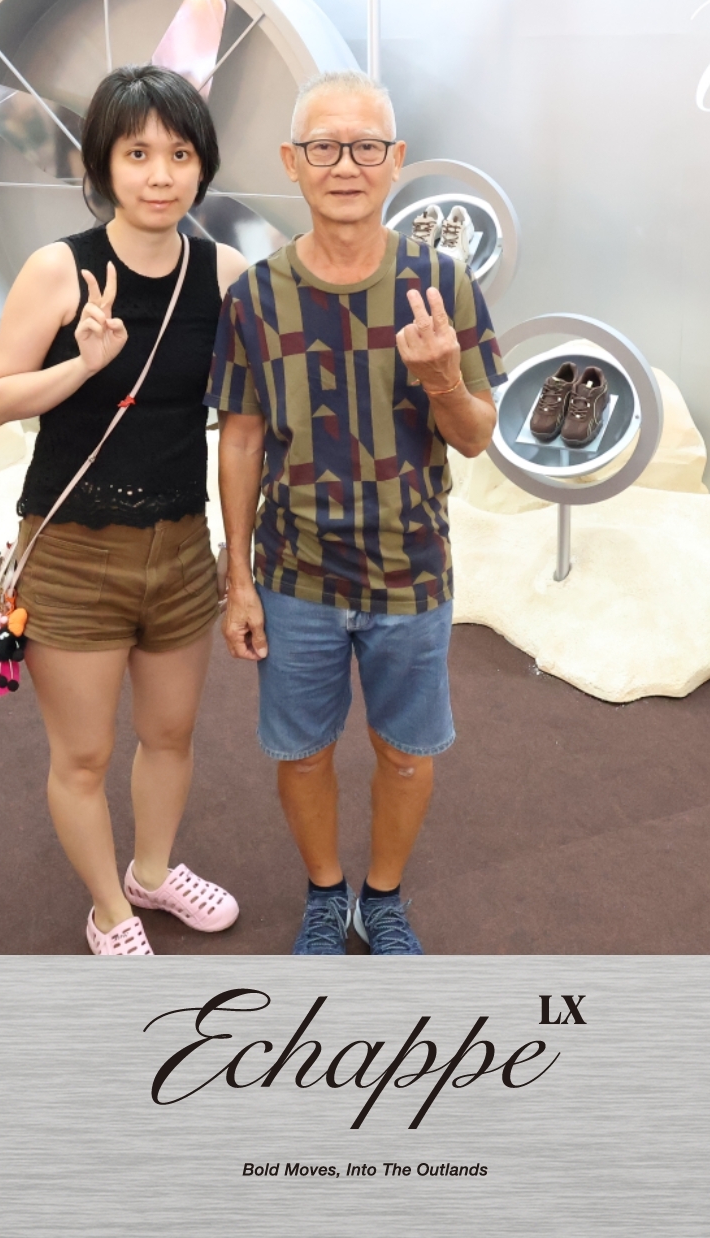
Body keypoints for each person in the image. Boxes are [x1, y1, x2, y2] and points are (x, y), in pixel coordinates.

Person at [207, 69, 506, 955]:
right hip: (293, 573)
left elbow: (476, 435)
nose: (347, 165)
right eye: (325, 147)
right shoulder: (255, 297)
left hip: (411, 569)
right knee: (301, 753)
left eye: (367, 146)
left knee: (407, 754)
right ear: (292, 161)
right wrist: (237, 579)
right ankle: (324, 895)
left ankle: (383, 900)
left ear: (397, 159)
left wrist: (442, 377)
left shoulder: (441, 285)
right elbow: (241, 441)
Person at [0, 65, 246, 957]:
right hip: (73, 550)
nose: (160, 175)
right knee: (84, 755)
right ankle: (109, 912)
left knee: (170, 735)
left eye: (180, 154)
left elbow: (252, 409)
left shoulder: (224, 273)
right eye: (137, 154)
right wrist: (83, 365)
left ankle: (153, 872)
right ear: (103, 163)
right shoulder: (59, 267)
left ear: (202, 166)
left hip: (181, 545)